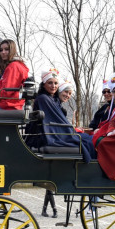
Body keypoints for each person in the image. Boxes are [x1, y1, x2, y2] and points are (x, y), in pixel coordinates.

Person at [27, 69, 96, 163]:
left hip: (55, 132)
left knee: (89, 138)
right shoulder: (43, 98)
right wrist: (70, 131)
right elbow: (57, 120)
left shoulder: (51, 99)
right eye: (50, 83)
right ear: (44, 84)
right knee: (87, 141)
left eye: (56, 83)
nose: (53, 86)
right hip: (47, 136)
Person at [41, 79, 74, 218]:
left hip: (55, 137)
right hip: (53, 139)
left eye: (70, 93)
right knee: (50, 182)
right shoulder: (53, 104)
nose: (67, 95)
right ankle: (51, 209)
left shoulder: (58, 105)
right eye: (66, 92)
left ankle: (49, 209)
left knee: (50, 183)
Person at [92, 72, 115, 147]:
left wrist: (113, 131)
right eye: (114, 91)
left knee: (98, 141)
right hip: (112, 132)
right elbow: (112, 121)